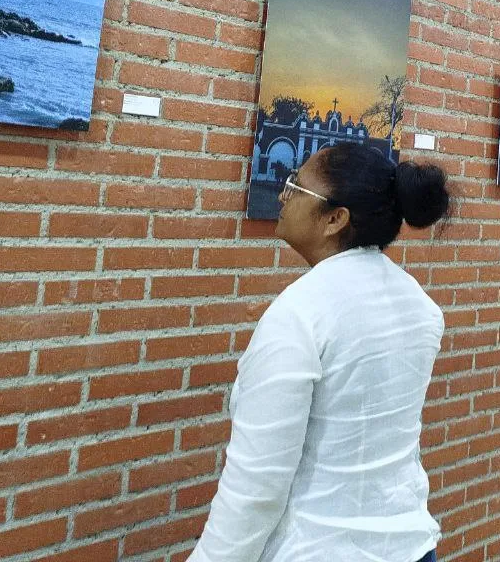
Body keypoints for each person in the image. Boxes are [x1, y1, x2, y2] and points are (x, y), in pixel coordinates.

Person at [187, 143, 451, 562]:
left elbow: (256, 489)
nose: (282, 194)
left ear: (335, 218)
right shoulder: (420, 306)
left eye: (295, 185)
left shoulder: (300, 315)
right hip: (410, 548)